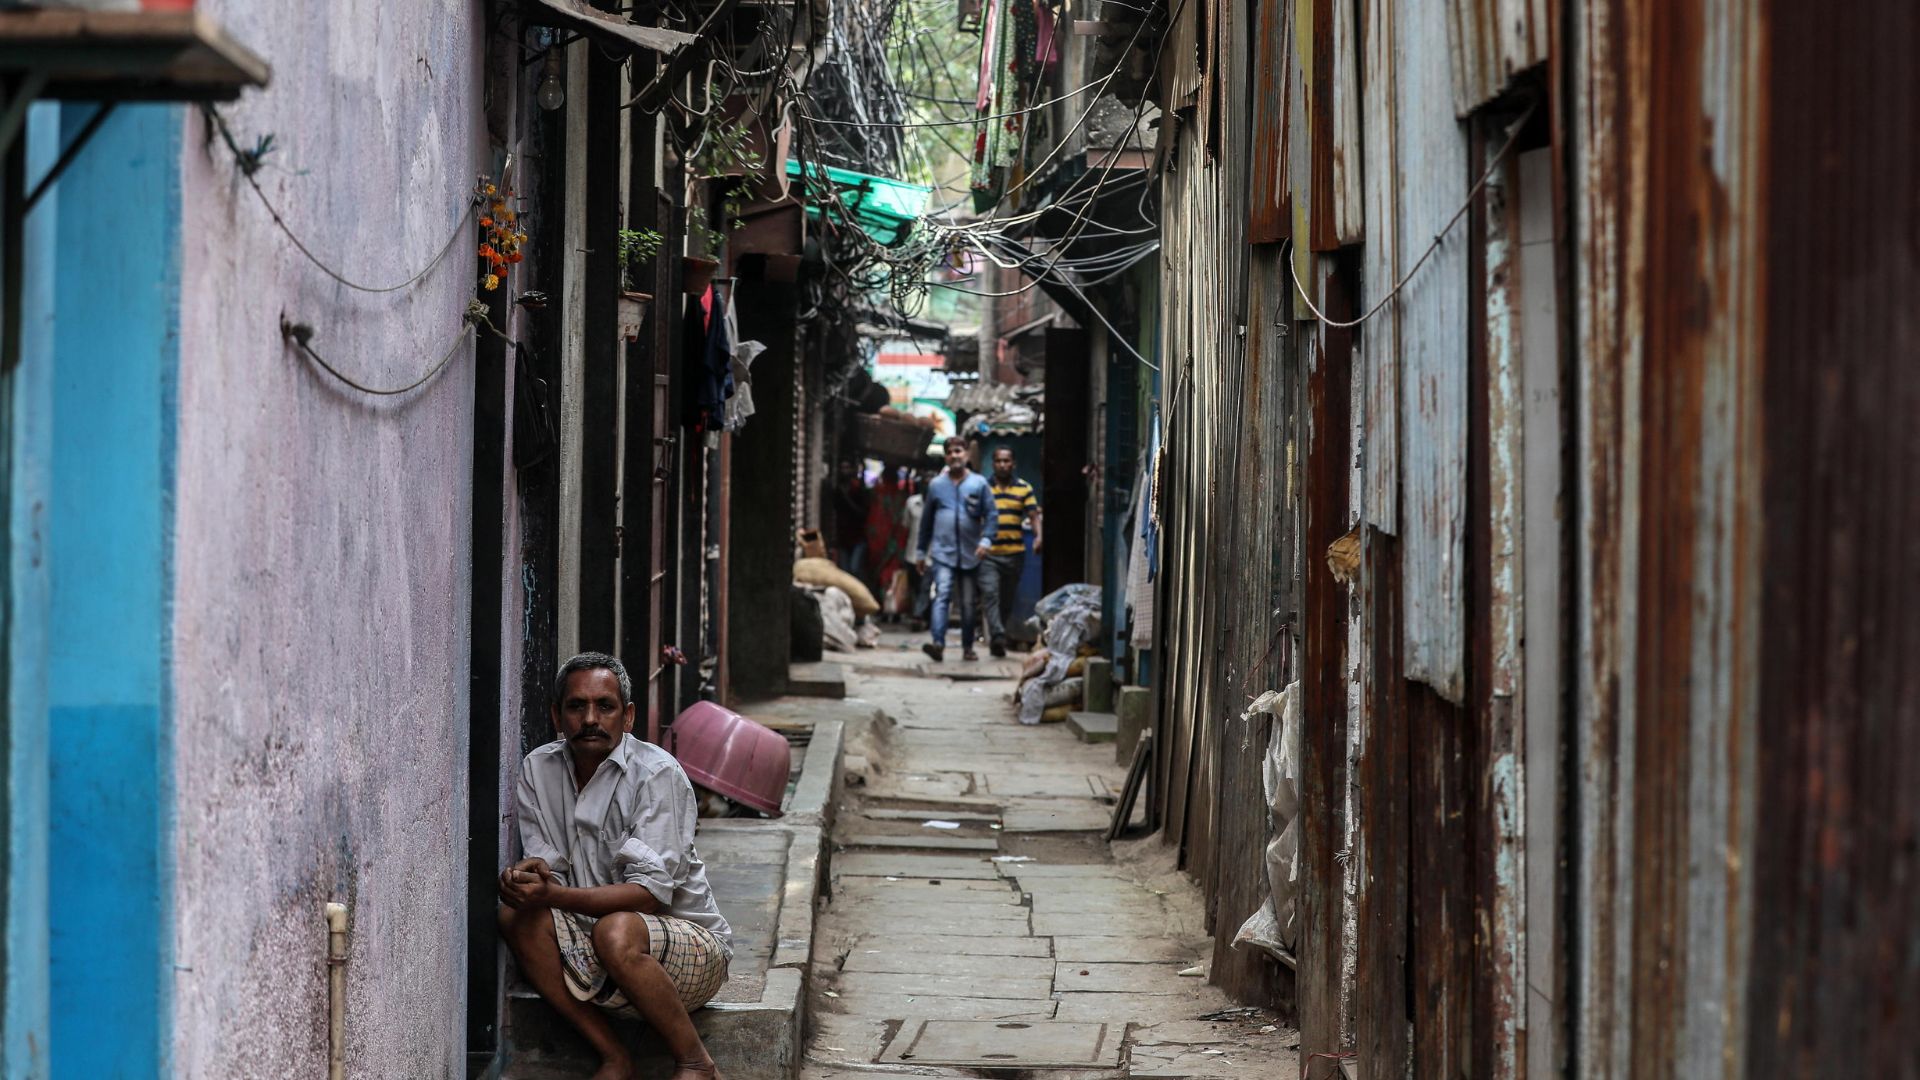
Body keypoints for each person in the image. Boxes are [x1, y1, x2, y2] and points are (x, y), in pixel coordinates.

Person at [499, 653, 733, 1080]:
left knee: (618, 927)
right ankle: (613, 1056)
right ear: (556, 714)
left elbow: (649, 895)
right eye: (576, 706)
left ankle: (696, 1061)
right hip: (596, 950)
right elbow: (548, 868)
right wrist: (525, 881)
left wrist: (553, 894)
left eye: (604, 707)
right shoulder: (538, 769)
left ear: (627, 717)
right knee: (515, 914)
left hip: (692, 952)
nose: (590, 718)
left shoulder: (657, 774)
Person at [915, 436, 992, 662]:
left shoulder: (979, 484)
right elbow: (926, 522)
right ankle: (938, 643)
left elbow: (992, 516)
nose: (954, 456)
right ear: (946, 457)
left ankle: (968, 647)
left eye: (958, 451)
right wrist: (921, 552)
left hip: (970, 554)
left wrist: (986, 541)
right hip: (942, 553)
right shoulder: (937, 486)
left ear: (966, 455)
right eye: (950, 452)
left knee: (968, 604)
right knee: (942, 596)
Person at [979, 446, 1043, 657]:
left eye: (1007, 461)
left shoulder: (1024, 488)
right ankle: (997, 636)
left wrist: (1038, 536)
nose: (1003, 465)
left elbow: (1033, 516)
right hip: (989, 553)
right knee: (990, 595)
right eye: (998, 461)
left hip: (1015, 553)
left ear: (1013, 464)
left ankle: (1000, 631)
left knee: (1007, 599)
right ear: (993, 463)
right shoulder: (983, 487)